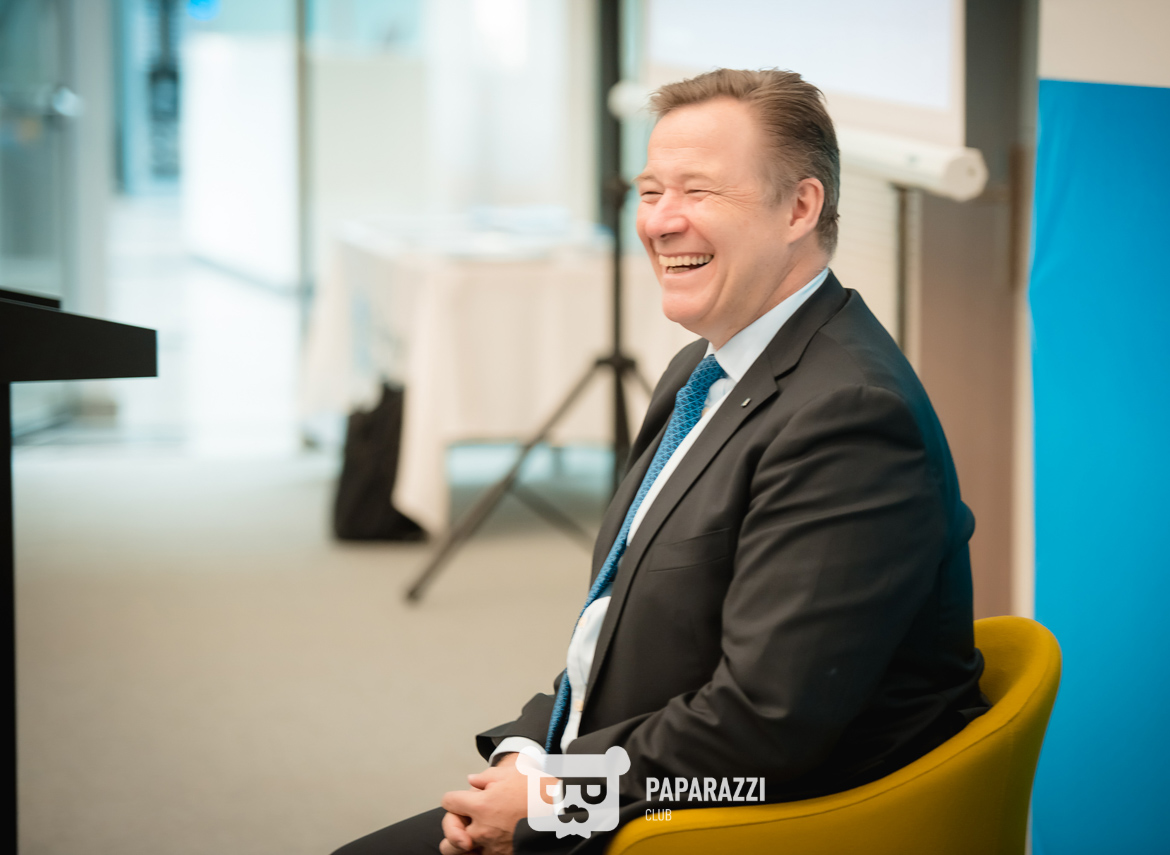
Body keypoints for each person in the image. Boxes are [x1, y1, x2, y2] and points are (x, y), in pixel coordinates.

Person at [334, 68, 988, 855]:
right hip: (639, 778)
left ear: (800, 208)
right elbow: (622, 624)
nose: (659, 222)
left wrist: (553, 800)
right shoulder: (702, 371)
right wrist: (528, 750)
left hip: (740, 824)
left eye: (698, 191)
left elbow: (765, 728)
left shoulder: (850, 415)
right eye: (650, 192)